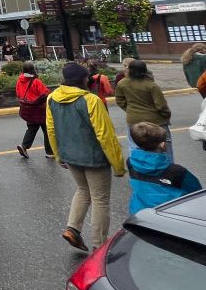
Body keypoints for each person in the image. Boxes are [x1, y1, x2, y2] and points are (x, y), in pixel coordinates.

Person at [47, 62, 125, 252]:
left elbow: (51, 129)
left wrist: (58, 155)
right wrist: (118, 164)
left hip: (70, 155)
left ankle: (73, 228)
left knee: (83, 190)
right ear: (83, 80)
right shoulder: (91, 100)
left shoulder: (52, 98)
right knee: (100, 199)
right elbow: (105, 135)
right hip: (93, 157)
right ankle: (99, 245)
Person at [127, 122, 201, 215]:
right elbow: (196, 192)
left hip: (139, 212)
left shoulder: (131, 162)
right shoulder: (176, 171)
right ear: (162, 145)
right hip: (169, 214)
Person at [115, 59, 173, 160]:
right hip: (156, 121)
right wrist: (166, 115)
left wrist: (130, 110)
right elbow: (161, 106)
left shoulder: (122, 84)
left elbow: (120, 100)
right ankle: (166, 167)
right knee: (163, 147)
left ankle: (138, 166)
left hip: (133, 120)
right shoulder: (152, 86)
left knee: (135, 145)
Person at [15, 61, 53, 159]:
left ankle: (24, 146)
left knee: (32, 128)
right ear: (32, 70)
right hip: (40, 110)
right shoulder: (36, 81)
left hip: (28, 109)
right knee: (47, 129)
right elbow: (45, 93)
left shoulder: (19, 80)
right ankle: (49, 152)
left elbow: (18, 94)